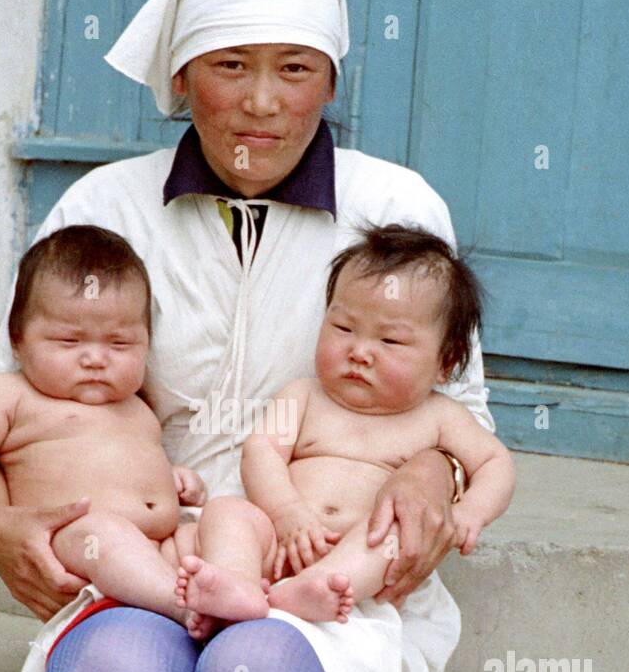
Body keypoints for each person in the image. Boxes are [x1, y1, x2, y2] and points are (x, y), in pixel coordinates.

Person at [0, 0, 496, 672]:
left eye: (294, 69)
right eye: (230, 67)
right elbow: (3, 390)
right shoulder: (103, 207)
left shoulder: (393, 208)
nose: (262, 102)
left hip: (317, 546)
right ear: (180, 77)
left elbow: (454, 407)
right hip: (153, 543)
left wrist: (433, 477)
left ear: (330, 79)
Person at [174, 224, 516, 634]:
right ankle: (236, 585)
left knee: (388, 541)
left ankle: (314, 588)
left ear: (447, 361)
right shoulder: (303, 396)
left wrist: (470, 512)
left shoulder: (439, 417)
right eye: (344, 329)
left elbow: (496, 462)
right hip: (283, 537)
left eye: (390, 341)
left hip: (356, 551)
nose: (359, 351)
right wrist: (287, 514)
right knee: (227, 511)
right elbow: (261, 451)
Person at [0, 225, 212, 628]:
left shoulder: (136, 406)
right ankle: (181, 605)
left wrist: (174, 480)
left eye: (120, 344)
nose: (96, 358)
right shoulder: (10, 395)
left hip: (161, 545)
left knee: (220, 520)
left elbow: (120, 465)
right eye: (68, 341)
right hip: (81, 544)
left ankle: (236, 597)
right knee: (105, 534)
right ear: (17, 340)